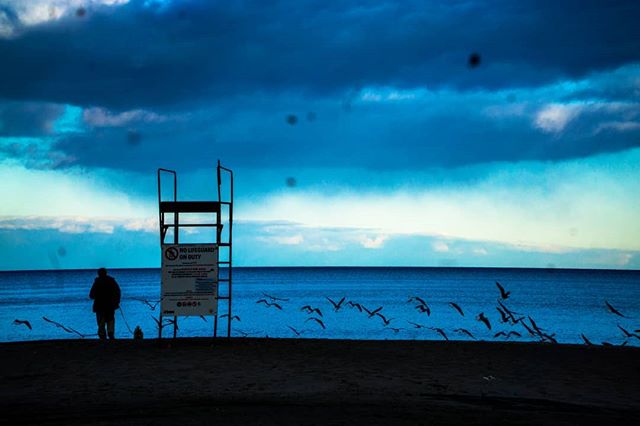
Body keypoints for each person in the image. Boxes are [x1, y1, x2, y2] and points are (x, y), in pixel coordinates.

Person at [89, 268, 121, 340]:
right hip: (109, 305)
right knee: (110, 320)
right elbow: (118, 292)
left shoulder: (97, 282)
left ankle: (103, 335)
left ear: (99, 274)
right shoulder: (111, 281)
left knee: (101, 322)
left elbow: (91, 295)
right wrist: (117, 302)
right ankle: (110, 334)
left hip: (100, 306)